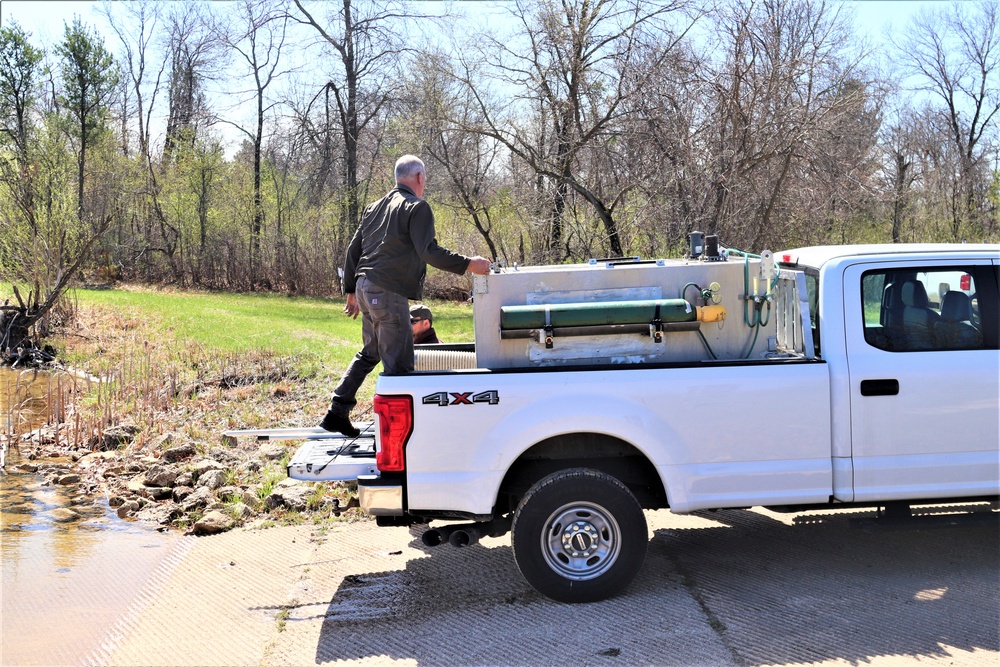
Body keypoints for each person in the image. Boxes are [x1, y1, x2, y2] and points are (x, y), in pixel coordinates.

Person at [320, 155, 491, 436]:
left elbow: (353, 250)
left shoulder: (374, 207)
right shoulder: (417, 206)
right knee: (399, 364)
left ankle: (337, 411)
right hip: (386, 291)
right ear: (420, 178)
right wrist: (470, 264)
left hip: (365, 287)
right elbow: (428, 251)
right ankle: (399, 437)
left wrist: (351, 291)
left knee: (370, 352)